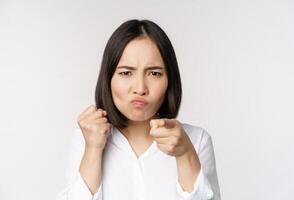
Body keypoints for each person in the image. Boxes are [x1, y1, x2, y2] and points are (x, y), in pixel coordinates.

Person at [56, 19, 221, 200]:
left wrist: (185, 153)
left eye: (154, 73)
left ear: (169, 80)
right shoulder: (85, 139)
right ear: (108, 78)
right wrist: (93, 149)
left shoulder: (197, 141)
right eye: (126, 73)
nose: (140, 88)